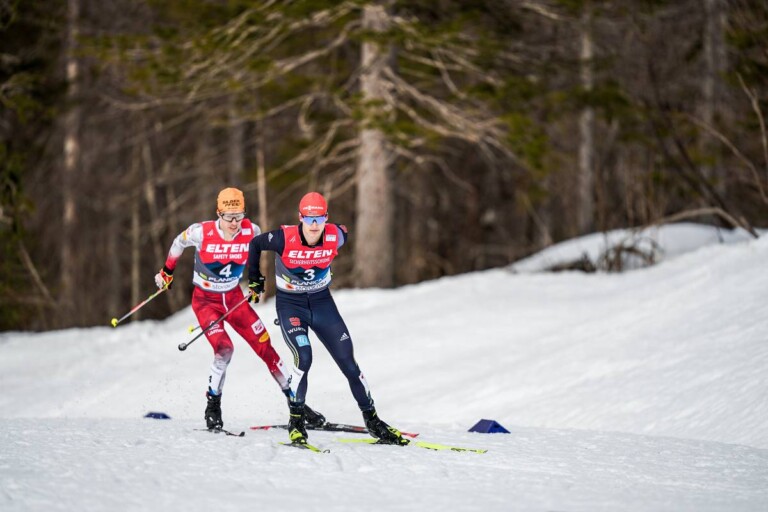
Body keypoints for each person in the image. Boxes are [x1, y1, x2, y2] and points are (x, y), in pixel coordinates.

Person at [154, 187, 325, 431]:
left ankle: (296, 404)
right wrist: (167, 271)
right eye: (228, 217)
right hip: (206, 301)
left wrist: (256, 282)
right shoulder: (201, 231)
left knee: (265, 347)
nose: (234, 223)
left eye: (239, 216)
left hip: (235, 300)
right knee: (224, 349)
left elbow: (258, 253)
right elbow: (177, 243)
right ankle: (213, 406)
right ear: (218, 214)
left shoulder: (251, 230)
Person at [246, 191, 408, 445]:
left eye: (319, 219)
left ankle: (373, 420)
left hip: (322, 303)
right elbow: (255, 244)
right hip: (291, 306)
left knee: (349, 363)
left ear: (326, 218)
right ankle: (297, 421)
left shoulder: (335, 235)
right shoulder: (283, 237)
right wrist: (255, 279)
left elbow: (344, 232)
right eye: (308, 219)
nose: (313, 225)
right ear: (300, 218)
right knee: (304, 357)